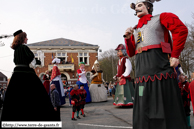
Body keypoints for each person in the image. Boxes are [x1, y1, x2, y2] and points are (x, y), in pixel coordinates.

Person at [124, 0, 188, 128]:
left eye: (140, 5)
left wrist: (175, 55)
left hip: (159, 63)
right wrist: (127, 39)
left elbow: (181, 30)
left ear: (148, 6)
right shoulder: (135, 29)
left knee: (163, 101)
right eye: (136, 7)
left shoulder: (161, 17)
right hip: (141, 68)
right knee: (143, 100)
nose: (137, 8)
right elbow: (131, 52)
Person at [1, 30, 56, 121]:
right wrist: (39, 60)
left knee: (15, 98)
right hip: (27, 74)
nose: (27, 39)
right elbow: (31, 61)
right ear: (22, 38)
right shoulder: (24, 47)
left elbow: (17, 61)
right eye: (26, 37)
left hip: (16, 74)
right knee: (38, 94)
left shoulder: (16, 50)